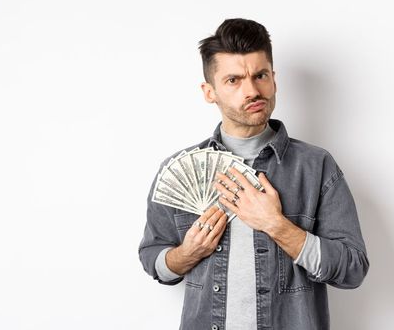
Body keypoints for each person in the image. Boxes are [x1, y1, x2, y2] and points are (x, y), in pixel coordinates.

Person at [137, 18, 369, 330]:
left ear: (273, 79)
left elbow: (353, 269)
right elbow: (153, 258)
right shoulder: (178, 167)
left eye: (260, 75)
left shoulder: (316, 167)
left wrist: (277, 225)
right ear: (210, 92)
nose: (252, 90)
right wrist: (187, 254)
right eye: (233, 80)